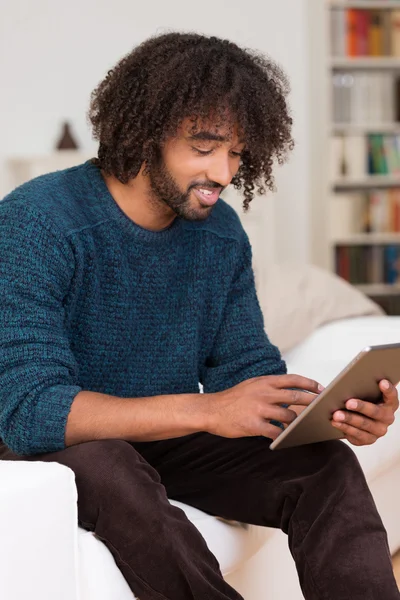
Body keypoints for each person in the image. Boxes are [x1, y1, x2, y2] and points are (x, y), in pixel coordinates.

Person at [0, 32, 399, 600]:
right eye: (205, 147)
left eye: (237, 153)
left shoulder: (220, 233)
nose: (224, 172)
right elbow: (28, 409)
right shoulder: (36, 223)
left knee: (323, 465)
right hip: (60, 443)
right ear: (144, 133)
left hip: (168, 435)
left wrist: (327, 412)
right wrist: (209, 409)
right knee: (113, 467)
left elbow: (245, 368)